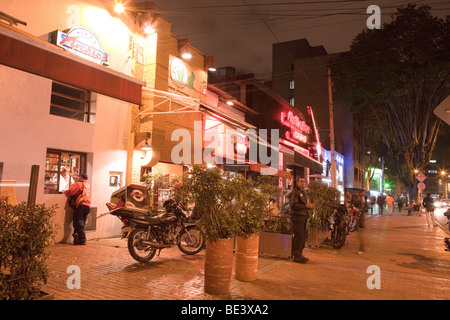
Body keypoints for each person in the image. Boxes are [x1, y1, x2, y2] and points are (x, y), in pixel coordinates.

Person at [288, 176, 314, 264]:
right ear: (298, 183)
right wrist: (305, 206)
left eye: (304, 181)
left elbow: (305, 204)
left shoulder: (303, 193)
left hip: (303, 218)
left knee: (303, 237)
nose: (303, 183)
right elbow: (293, 205)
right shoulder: (295, 192)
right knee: (298, 237)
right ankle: (296, 255)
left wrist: (309, 207)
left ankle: (299, 254)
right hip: (297, 218)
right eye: (301, 181)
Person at [65, 173, 91, 245]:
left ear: (81, 177)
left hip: (80, 204)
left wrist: (65, 191)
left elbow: (71, 192)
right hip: (87, 205)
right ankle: (77, 238)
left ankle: (82, 239)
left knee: (79, 222)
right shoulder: (88, 185)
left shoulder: (78, 184)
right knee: (81, 222)